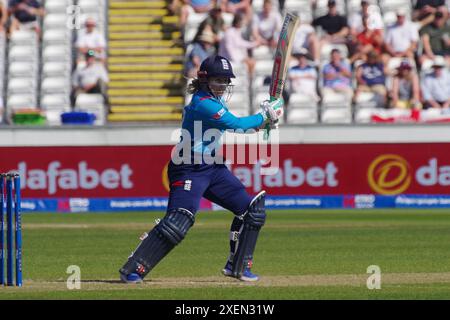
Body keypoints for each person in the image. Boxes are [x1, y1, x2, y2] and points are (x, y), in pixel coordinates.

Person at [118, 55, 284, 283]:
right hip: (189, 167)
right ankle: (134, 268)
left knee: (252, 212)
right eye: (218, 80)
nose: (223, 85)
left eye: (226, 80)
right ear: (204, 80)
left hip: (213, 167)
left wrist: (266, 121)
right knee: (179, 221)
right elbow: (236, 125)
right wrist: (264, 115)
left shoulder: (215, 101)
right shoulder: (202, 103)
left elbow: (244, 128)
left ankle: (237, 266)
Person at [218, 13, 263, 78]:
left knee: (252, 62)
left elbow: (241, 43)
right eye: (243, 21)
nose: (244, 23)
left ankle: (250, 84)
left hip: (236, 57)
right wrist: (239, 60)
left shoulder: (236, 31)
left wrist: (255, 44)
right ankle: (249, 84)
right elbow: (229, 49)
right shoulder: (229, 33)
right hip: (227, 58)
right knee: (251, 63)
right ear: (238, 22)